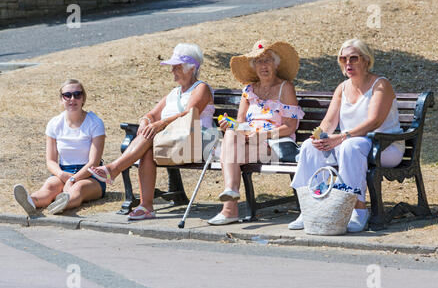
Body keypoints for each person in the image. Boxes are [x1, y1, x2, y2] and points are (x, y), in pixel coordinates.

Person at [88, 43, 217, 220]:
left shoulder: (201, 88)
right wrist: (146, 121)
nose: (172, 70)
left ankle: (114, 169)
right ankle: (145, 206)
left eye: (177, 66)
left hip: (196, 142)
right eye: (172, 66)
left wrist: (159, 124)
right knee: (147, 145)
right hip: (172, 143)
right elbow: (152, 114)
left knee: (150, 137)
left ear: (191, 68)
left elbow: (189, 113)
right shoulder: (174, 93)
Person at [289, 39, 406, 232]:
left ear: (366, 61)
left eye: (354, 58)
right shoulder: (342, 88)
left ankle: (358, 210)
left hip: (384, 147)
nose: (348, 63)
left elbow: (374, 122)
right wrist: (317, 136)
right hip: (350, 144)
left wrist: (342, 137)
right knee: (311, 148)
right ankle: (310, 207)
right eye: (343, 59)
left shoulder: (380, 85)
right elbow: (328, 123)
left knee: (351, 146)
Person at [207, 39, 305, 226]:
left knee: (228, 155)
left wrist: (263, 135)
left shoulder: (286, 88)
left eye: (267, 60)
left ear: (276, 63)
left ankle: (230, 208)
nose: (263, 65)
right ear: (253, 66)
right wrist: (230, 124)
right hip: (248, 142)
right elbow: (241, 123)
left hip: (275, 143)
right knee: (230, 136)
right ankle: (231, 194)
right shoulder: (249, 90)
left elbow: (290, 127)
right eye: (258, 61)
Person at [13, 79, 106, 215]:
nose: (72, 99)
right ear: (61, 100)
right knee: (50, 186)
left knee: (78, 188)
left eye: (77, 94)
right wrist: (62, 175)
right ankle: (31, 201)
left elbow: (94, 162)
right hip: (63, 171)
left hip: (91, 175)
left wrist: (73, 179)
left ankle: (63, 204)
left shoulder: (95, 123)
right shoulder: (54, 123)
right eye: (67, 95)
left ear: (83, 99)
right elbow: (50, 161)